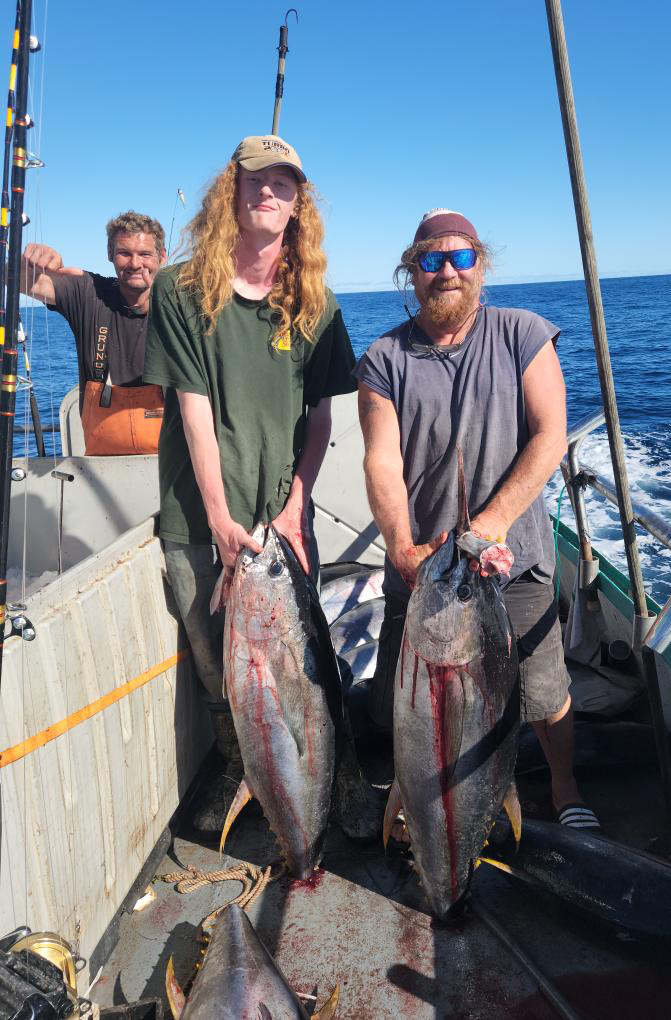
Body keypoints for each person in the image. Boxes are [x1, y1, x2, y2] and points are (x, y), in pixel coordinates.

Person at [143, 134, 370, 833]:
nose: (267, 192)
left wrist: (298, 500)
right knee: (222, 668)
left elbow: (322, 414)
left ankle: (338, 782)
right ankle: (242, 770)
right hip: (199, 513)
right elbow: (194, 409)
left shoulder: (315, 302)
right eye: (254, 180)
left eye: (283, 182)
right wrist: (217, 516)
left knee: (304, 665)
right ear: (230, 193)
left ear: (299, 202)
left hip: (282, 519)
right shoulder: (180, 290)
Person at [355, 208, 600, 832]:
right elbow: (382, 462)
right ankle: (421, 799)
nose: (446, 272)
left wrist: (491, 523)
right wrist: (403, 548)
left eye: (460, 257)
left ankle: (565, 789)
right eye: (431, 260)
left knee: (542, 692)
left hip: (512, 561)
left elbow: (550, 437)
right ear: (411, 272)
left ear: (480, 265)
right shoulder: (384, 358)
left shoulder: (523, 332)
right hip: (425, 568)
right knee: (410, 705)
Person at [21, 212, 167, 455]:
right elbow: (18, 278)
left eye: (145, 254)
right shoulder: (89, 292)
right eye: (124, 253)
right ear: (110, 254)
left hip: (168, 465)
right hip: (101, 466)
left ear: (162, 257)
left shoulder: (180, 304)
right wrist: (34, 264)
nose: (134, 263)